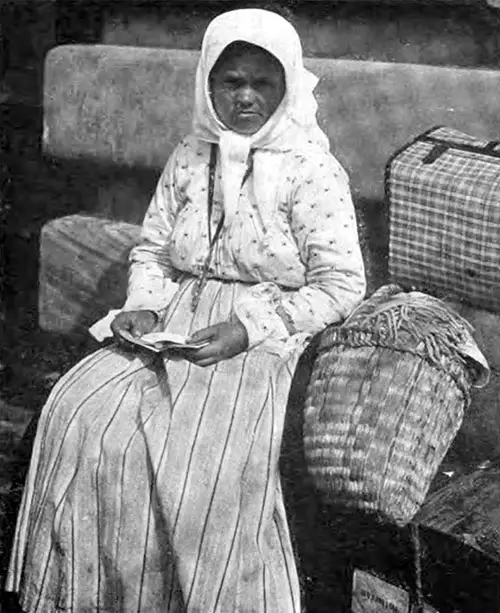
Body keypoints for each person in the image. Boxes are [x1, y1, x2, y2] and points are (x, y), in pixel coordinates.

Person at [6, 8, 366, 613]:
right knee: (81, 413)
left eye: (263, 83)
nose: (246, 98)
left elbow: (341, 285)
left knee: (196, 461)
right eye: (231, 82)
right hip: (174, 320)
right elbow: (153, 251)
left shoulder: (313, 170)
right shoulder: (189, 156)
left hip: (261, 330)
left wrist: (247, 329)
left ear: (288, 86)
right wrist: (144, 306)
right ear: (208, 83)